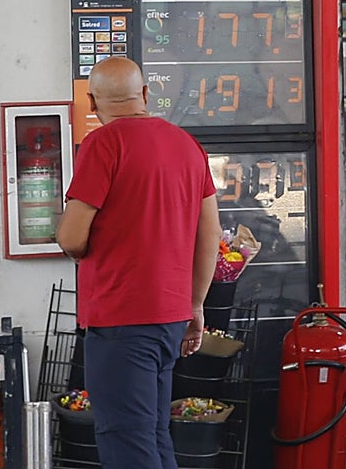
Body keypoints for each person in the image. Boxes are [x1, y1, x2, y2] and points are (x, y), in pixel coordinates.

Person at [57, 56, 220, 469]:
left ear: (92, 103)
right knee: (152, 436)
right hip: (169, 319)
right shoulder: (187, 145)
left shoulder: (103, 144)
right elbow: (211, 235)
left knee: (127, 441)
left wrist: (70, 240)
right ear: (145, 94)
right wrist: (195, 306)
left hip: (119, 321)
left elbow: (73, 237)